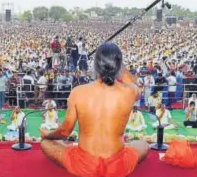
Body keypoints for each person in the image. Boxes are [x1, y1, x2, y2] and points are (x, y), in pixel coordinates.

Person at [40, 43, 148, 177]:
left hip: (84, 165)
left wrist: (47, 135)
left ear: (95, 65)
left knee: (46, 144)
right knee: (143, 145)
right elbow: (133, 83)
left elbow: (65, 131)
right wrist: (118, 62)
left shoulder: (78, 92)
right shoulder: (130, 91)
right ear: (119, 65)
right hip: (117, 165)